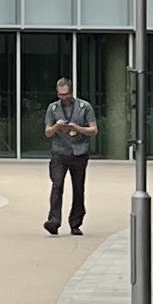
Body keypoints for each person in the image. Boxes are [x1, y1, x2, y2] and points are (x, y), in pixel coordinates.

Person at [42, 74, 97, 235]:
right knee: (57, 185)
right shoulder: (53, 108)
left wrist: (77, 128)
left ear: (71, 91)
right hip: (59, 152)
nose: (63, 97)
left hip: (79, 152)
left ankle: (75, 223)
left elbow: (94, 129)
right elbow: (48, 132)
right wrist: (56, 127)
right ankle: (53, 221)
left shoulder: (84, 107)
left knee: (78, 188)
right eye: (60, 95)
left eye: (66, 94)